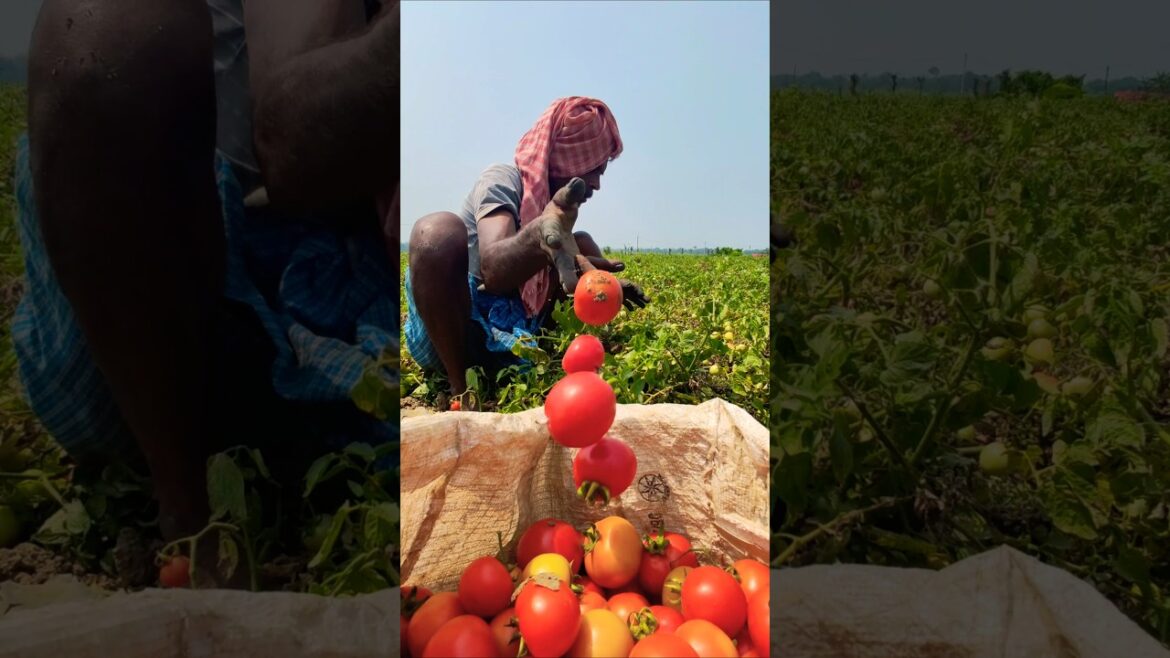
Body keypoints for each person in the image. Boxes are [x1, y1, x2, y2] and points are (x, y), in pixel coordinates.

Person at [12, 0, 400, 565]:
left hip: (354, 302)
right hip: (172, 281)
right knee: (103, 26)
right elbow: (291, 149)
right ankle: (188, 515)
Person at [405, 97, 650, 399]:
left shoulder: (558, 205)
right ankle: (460, 389)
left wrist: (602, 286)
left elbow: (566, 259)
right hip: (459, 334)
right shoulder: (503, 181)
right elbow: (493, 271)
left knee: (581, 242)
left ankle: (549, 353)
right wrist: (537, 235)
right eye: (593, 169)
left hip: (519, 336)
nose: (597, 184)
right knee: (436, 232)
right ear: (569, 161)